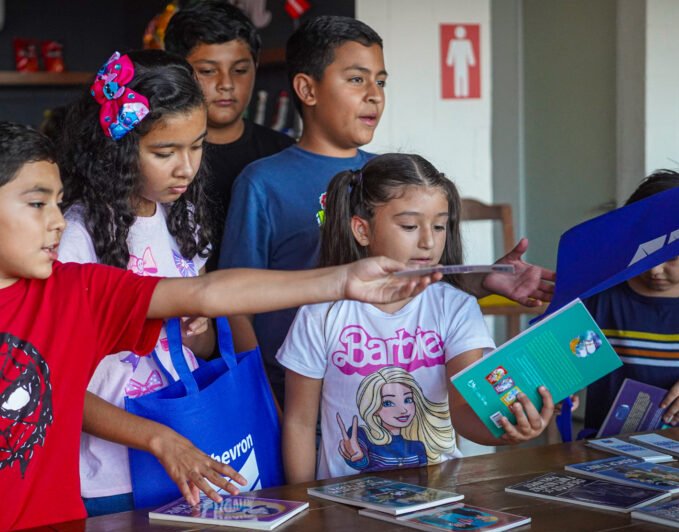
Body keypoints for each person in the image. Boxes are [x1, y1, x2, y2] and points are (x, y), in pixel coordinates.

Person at [0, 119, 439, 532]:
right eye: (37, 204)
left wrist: (341, 280)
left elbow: (209, 293)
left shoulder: (78, 292)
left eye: (59, 202)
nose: (58, 221)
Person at [218, 16, 554, 403]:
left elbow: (413, 284)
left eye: (381, 82)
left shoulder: (389, 176)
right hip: (293, 396)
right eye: (356, 79)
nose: (374, 95)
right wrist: (260, 398)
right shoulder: (263, 182)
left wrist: (482, 280)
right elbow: (234, 307)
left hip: (385, 394)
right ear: (307, 89)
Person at [278, 153, 556, 483]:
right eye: (410, 226)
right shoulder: (320, 313)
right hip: (343, 499)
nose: (428, 241)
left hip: (437, 498)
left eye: (439, 226)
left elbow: (463, 411)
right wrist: (307, 504)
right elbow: (299, 423)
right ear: (362, 230)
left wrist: (508, 431)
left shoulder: (456, 308)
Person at [57, 49, 217, 515]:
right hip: (110, 476)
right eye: (165, 152)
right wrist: (157, 439)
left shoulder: (185, 218)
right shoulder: (76, 238)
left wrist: (200, 327)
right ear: (118, 151)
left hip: (189, 451)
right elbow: (59, 387)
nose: (186, 167)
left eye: (197, 146)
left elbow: (202, 348)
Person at [163, 0, 295, 269]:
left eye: (240, 70)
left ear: (256, 66)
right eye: (208, 71)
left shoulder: (285, 154)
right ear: (177, 71)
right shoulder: (160, 159)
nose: (226, 84)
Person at [582, 169, 679, 433]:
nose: (655, 269)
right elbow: (558, 368)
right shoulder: (599, 298)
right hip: (608, 447)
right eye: (645, 254)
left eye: (670, 257)